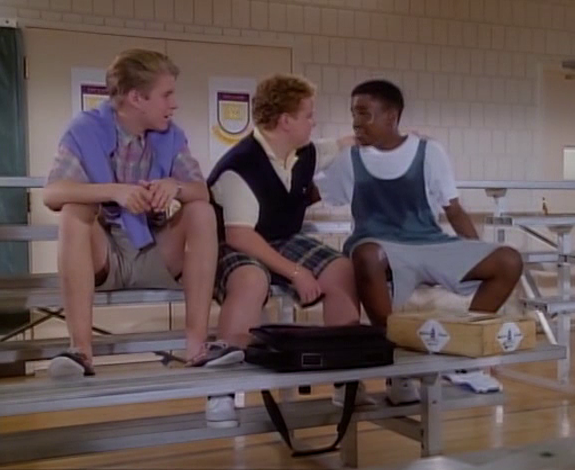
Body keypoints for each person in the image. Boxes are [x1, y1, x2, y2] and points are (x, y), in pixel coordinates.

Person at [320, 79, 524, 403]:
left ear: (391, 116)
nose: (356, 123)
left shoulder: (429, 152)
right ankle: (395, 362)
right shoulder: (349, 159)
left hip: (428, 244)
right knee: (367, 255)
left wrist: (474, 250)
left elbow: (453, 209)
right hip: (379, 247)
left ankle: (462, 351)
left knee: (509, 260)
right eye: (353, 114)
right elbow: (311, 193)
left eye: (364, 113)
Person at [43, 49, 241, 379]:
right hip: (105, 255)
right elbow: (52, 194)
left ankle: (196, 347)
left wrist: (175, 186)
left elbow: (201, 191)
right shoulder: (85, 129)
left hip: (155, 249)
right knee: (73, 210)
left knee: (202, 212)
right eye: (167, 94)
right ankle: (81, 352)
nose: (174, 104)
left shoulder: (171, 135)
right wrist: (114, 191)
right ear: (136, 97)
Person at [206, 74, 374, 428]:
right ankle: (221, 391)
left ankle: (345, 379)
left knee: (342, 269)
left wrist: (404, 138)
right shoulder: (239, 166)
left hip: (281, 237)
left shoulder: (305, 153)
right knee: (251, 281)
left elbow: (342, 144)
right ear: (285, 121)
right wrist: (296, 273)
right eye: (308, 115)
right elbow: (240, 236)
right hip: (233, 241)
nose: (313, 122)